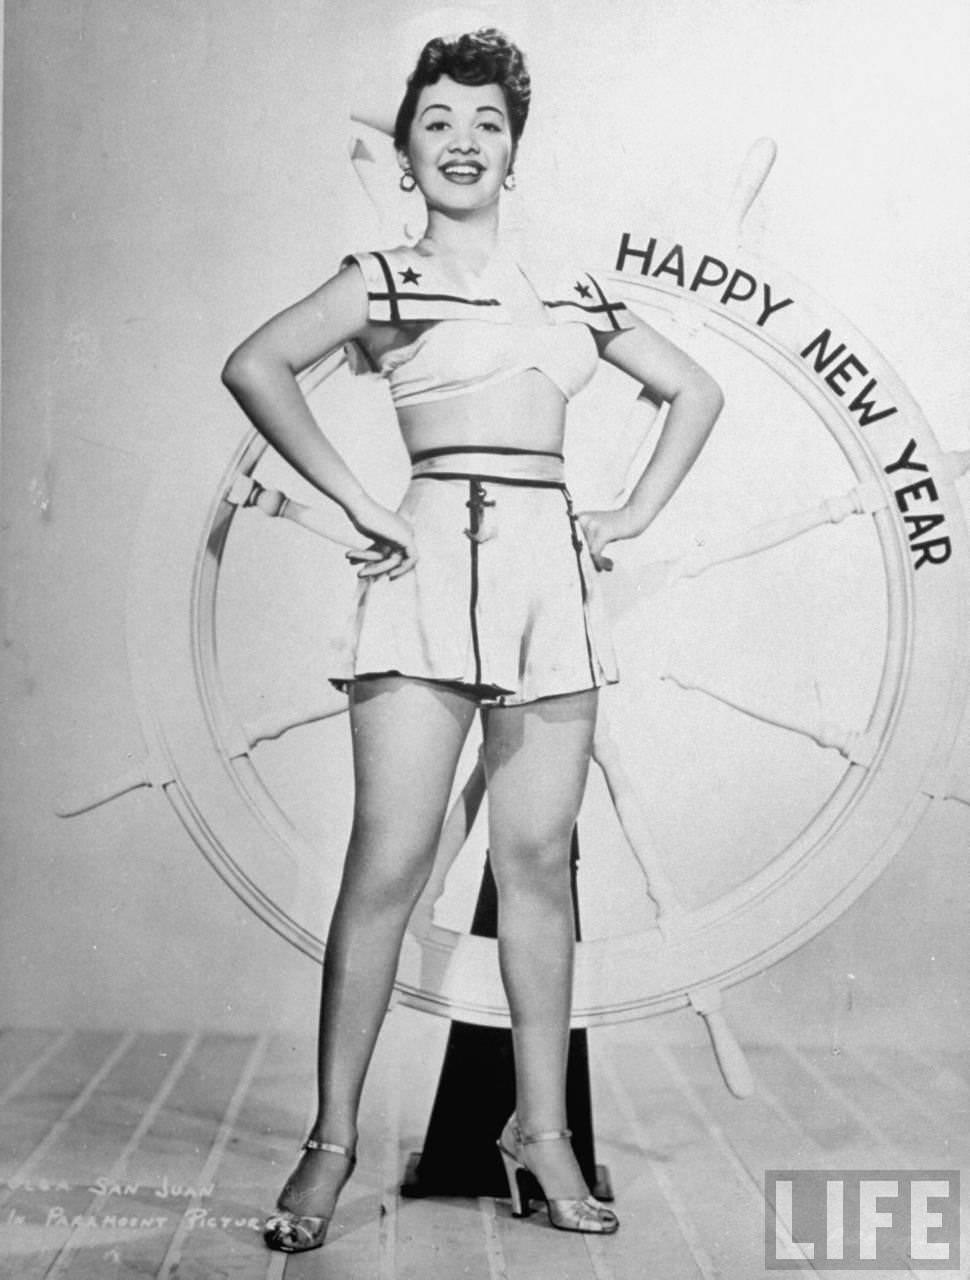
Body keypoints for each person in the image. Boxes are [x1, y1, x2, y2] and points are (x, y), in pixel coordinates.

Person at [221, 27, 723, 1256]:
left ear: (514, 148)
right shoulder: (381, 278)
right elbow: (255, 363)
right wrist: (355, 500)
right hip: (426, 571)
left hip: (549, 576)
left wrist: (636, 509)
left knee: (538, 862)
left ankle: (539, 1132)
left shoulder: (569, 286)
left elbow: (696, 389)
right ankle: (330, 1142)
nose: (462, 140)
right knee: (387, 862)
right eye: (438, 120)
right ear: (404, 150)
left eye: (486, 122)